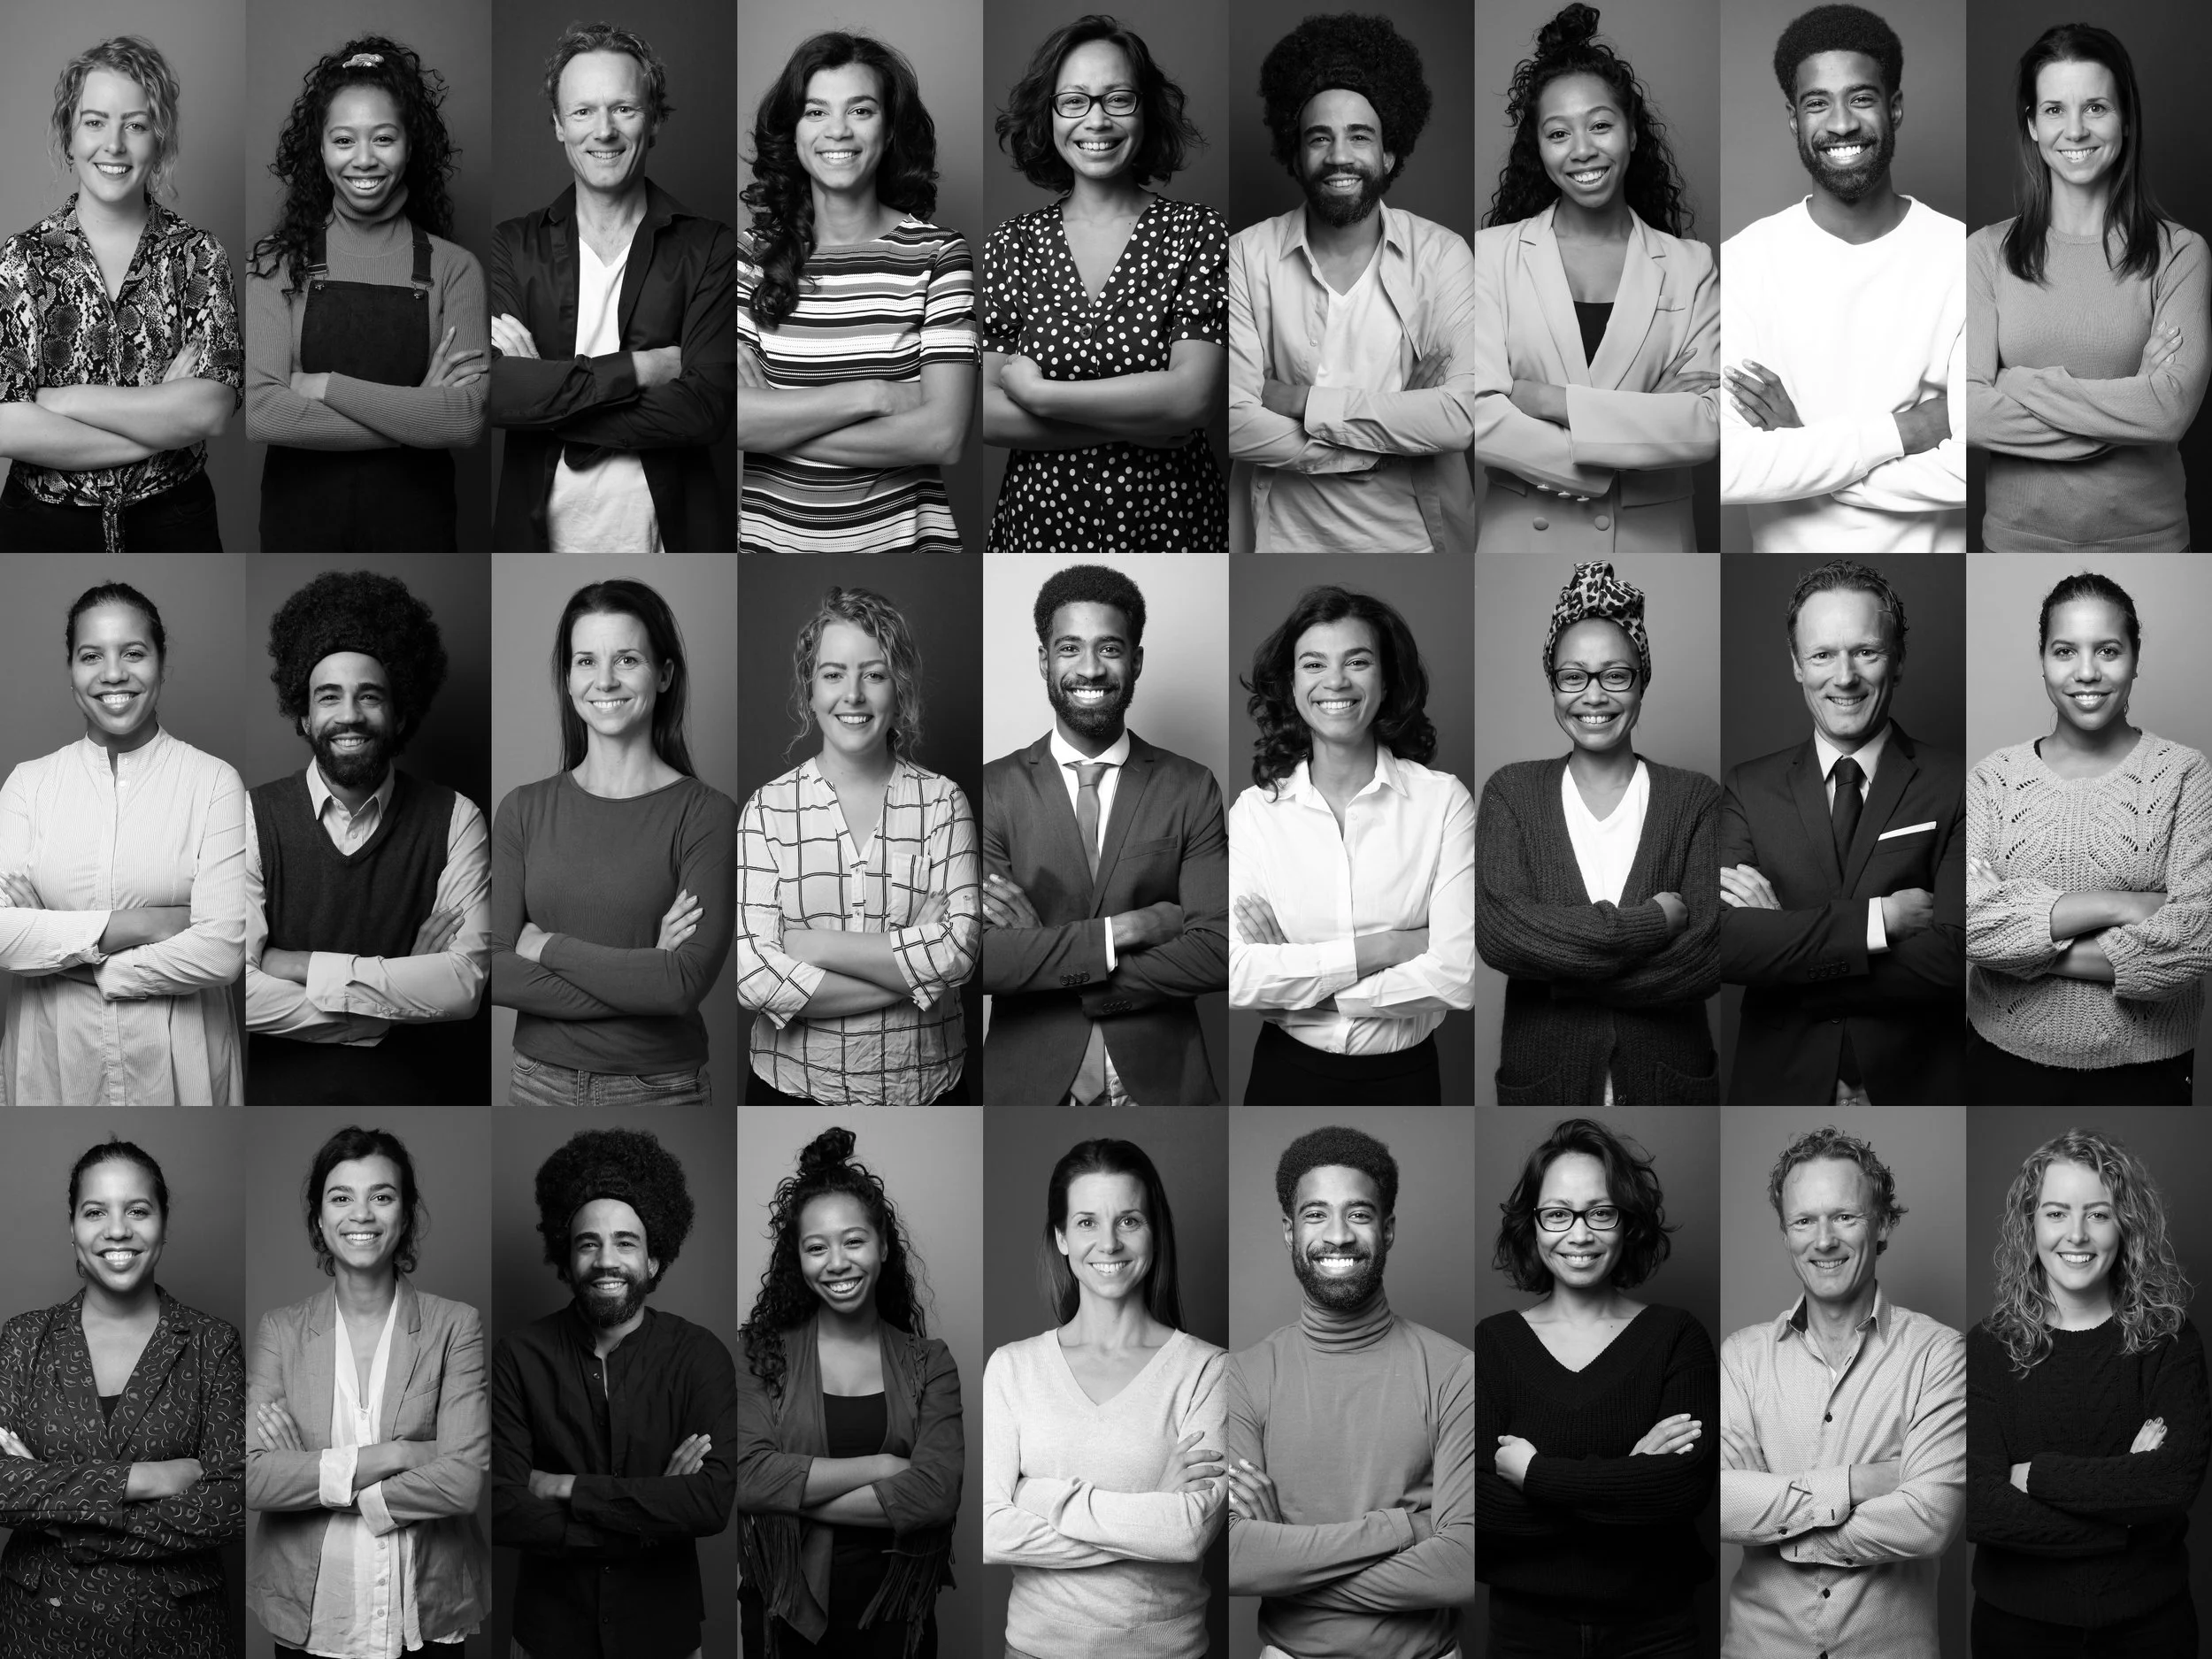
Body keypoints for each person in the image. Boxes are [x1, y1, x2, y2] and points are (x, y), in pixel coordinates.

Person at [1472, 4, 1721, 553]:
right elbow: (1480, 417)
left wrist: (1545, 399)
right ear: (1538, 149)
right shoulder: (1491, 255)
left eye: (1601, 125)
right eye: (1558, 133)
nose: (1582, 150)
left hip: (1652, 542)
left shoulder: (1690, 264)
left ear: (1632, 134)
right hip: (1522, 543)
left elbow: (1707, 422)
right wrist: (1643, 427)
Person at [1720, 4, 1966, 552]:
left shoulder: (1961, 256)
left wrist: (1801, 452)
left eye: (1861, 98)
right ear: (1793, 119)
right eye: (1817, 104)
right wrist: (1904, 432)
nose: (1841, 124)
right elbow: (1731, 467)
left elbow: (1973, 463)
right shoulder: (1744, 262)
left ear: (1894, 108)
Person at [1718, 558, 1965, 1104]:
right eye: (1823, 654)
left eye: (1866, 651)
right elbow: (1729, 947)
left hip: (1919, 1087)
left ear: (1897, 661)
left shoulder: (1957, 784)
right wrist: (1882, 921)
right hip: (1779, 1088)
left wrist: (1785, 943)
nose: (1845, 676)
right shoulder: (1747, 788)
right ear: (1796, 665)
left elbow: (1951, 959)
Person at [1228, 13, 1478, 554]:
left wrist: (1301, 401)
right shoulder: (1246, 256)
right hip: (1281, 544)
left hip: (1415, 542)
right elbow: (1234, 420)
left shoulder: (1442, 255)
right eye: (1320, 138)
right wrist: (1383, 444)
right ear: (1295, 155)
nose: (1340, 156)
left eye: (1359, 136)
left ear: (1389, 153)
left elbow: (1460, 416)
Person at [979, 564, 1227, 1105]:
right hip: (1027, 1082)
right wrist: (1131, 928)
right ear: (1044, 661)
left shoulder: (1191, 786)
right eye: (1070, 648)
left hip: (1164, 1082)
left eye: (1109, 649)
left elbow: (1218, 951)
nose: (1089, 669)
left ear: (1136, 660)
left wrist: (1046, 956)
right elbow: (982, 961)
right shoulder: (991, 791)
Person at [1477, 562, 1720, 1104]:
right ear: (1554, 685)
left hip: (1672, 1082)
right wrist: (1652, 921)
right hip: (1543, 1081)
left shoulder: (1695, 799)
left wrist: (1563, 976)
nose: (1594, 696)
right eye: (1573, 676)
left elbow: (1705, 958)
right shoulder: (1511, 794)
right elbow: (1500, 935)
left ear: (1641, 680)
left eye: (1615, 674)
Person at [981, 15, 1226, 552]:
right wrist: (1137, 425)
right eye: (1074, 101)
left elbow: (1192, 399)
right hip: (1038, 526)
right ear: (1048, 116)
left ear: (1146, 111)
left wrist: (1041, 395)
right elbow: (987, 414)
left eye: (1118, 99)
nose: (1096, 120)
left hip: (1172, 525)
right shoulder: (1013, 242)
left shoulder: (1197, 232)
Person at [243, 571, 488, 1106]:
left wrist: (301, 964)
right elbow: (231, 993)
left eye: (370, 696)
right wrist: (400, 993)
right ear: (304, 716)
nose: (349, 715)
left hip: (424, 1100)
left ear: (400, 715)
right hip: (277, 1105)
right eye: (328, 697)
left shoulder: (457, 819)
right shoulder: (247, 817)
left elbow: (464, 987)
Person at [1719, 1124, 1965, 1659]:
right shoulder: (1741, 1357)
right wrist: (1859, 1483)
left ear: (1881, 1228)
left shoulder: (1939, 1354)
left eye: (1845, 1216)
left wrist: (1781, 1527)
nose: (1824, 1239)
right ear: (1786, 1234)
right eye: (1804, 1220)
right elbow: (1718, 1505)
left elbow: (1929, 1522)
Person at [245, 1126, 490, 1659]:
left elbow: (465, 1484)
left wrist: (319, 1479)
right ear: (319, 1219)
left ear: (404, 1215)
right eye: (341, 1197)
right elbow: (254, 1478)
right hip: (312, 1617)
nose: (361, 1214)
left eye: (381, 1196)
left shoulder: (456, 1326)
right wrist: (401, 1455)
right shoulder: (280, 1331)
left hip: (425, 1617)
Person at [1965, 572, 2211, 1103]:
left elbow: (2196, 938)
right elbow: (1969, 926)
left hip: (2149, 1068)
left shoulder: (2187, 774)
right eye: (2064, 651)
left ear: (2135, 659)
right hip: (2002, 1058)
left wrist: (2017, 943)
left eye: (2107, 650)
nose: (2086, 672)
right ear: (2043, 661)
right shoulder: (1992, 778)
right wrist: (2125, 905)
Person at [490, 580, 737, 1107]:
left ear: (664, 674)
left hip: (661, 1088)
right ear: (568, 679)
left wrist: (545, 947)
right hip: (538, 1082)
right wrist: (645, 972)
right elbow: (494, 972)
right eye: (585, 662)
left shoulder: (706, 815)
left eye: (626, 660)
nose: (604, 681)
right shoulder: (521, 809)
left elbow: (681, 984)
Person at [491, 1127, 735, 1659]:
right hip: (548, 1638)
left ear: (653, 1260)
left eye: (626, 1242)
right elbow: (503, 1506)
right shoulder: (518, 1356)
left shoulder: (701, 1356)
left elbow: (711, 1503)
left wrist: (566, 1488)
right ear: (567, 1259)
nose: (606, 1260)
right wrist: (648, 1519)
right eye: (588, 1243)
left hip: (662, 1637)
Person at [1230, 1126, 1472, 1659]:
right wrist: (1404, 1528)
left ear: (1387, 1231)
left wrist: (1288, 1567)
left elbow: (1460, 1569)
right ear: (1289, 1232)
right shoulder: (1243, 1377)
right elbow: (1235, 1560)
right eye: (1316, 1214)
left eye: (1358, 1214)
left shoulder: (1456, 1373)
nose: (1337, 1235)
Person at [491, 22, 734, 551]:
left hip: (671, 541)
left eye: (623, 108)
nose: (603, 131)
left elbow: (708, 409)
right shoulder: (513, 245)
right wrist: (639, 369)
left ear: (654, 122)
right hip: (536, 545)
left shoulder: (710, 247)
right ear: (559, 125)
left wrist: (548, 400)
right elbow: (492, 395)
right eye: (582, 111)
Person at [0, 581, 245, 1106]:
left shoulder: (215, 782)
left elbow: (224, 950)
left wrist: (69, 957)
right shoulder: (27, 785)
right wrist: (147, 924)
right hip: (51, 1069)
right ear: (71, 668)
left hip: (181, 1069)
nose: (113, 674)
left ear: (161, 662)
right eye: (92, 656)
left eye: (133, 653)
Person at [1966, 1129, 2208, 1658]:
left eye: (2097, 1214)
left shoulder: (2170, 1340)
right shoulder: (1987, 1348)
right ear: (2029, 1224)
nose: (2075, 1234)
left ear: (2125, 1226)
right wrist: (2126, 1517)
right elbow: (1982, 1509)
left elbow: (2172, 1482)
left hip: (2151, 1632)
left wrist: (2033, 1477)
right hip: (2016, 1633)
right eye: (2056, 1214)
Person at [1967, 24, 2208, 551]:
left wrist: (2017, 384)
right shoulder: (1984, 253)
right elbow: (1966, 414)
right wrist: (2129, 408)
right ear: (2031, 124)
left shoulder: (2181, 253)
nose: (2075, 130)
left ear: (2125, 119)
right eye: (2054, 109)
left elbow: (2167, 413)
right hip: (2016, 541)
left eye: (2096, 107)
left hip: (2150, 541)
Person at [733, 588, 979, 1105]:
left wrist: (816, 947)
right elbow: (755, 979)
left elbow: (959, 953)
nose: (854, 694)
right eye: (833, 674)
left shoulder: (943, 802)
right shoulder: (767, 809)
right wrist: (913, 967)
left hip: (928, 1091)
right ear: (810, 690)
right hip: (792, 1089)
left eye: (874, 673)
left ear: (899, 687)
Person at [982, 1137, 1225, 1659]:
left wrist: (1034, 1496)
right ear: (1062, 1238)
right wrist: (1148, 1510)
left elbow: (1186, 1534)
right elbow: (992, 1532)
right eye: (1088, 1222)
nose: (1110, 1243)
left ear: (1154, 1233)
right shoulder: (1012, 1368)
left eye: (1130, 1221)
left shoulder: (1209, 1370)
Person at [0, 1138, 244, 1655]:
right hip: (42, 1630)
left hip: (178, 1633)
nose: (117, 1229)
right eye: (96, 1211)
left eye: (138, 1210)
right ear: (72, 1228)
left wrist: (63, 1513)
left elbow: (228, 1505)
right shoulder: (22, 1340)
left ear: (163, 1226)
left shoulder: (211, 1343)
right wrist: (147, 1477)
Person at [1230, 585, 1472, 1104]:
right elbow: (1238, 976)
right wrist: (1389, 947)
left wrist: (1306, 986)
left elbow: (1456, 976)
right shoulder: (1254, 812)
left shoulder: (1444, 802)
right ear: (1292, 685)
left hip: (1406, 1078)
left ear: (1386, 682)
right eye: (1313, 664)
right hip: (1283, 1073)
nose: (1335, 680)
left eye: (1357, 661)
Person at [245, 36, 488, 552]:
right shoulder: (276, 261)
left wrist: (326, 385)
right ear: (320, 148)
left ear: (409, 144)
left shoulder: (455, 268)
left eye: (383, 138)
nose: (364, 160)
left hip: (416, 527)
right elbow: (265, 413)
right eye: (343, 140)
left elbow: (466, 419)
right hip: (299, 526)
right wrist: (419, 413)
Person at [1479, 1118, 1709, 1658]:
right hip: (1525, 1634)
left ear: (1627, 1223)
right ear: (1532, 1225)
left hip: (1657, 1633)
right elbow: (1481, 1509)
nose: (1579, 1234)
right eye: (1557, 1214)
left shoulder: (1678, 1335)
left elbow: (1681, 1492)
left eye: (1600, 1213)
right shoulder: (1493, 1343)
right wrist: (1628, 1478)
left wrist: (1535, 1473)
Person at [738, 32, 975, 554]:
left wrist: (780, 421)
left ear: (889, 129)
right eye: (816, 112)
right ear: (793, 132)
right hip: (771, 554)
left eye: (861, 110)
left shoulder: (939, 255)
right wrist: (876, 396)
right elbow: (730, 418)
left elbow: (943, 437)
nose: (838, 131)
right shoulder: (750, 258)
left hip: (910, 555)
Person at [0, 35, 239, 552]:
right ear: (69, 135)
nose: (114, 144)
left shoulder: (198, 255)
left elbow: (212, 411)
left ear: (160, 139)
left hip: (175, 521)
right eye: (94, 122)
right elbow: (6, 425)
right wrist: (160, 418)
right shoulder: (22, 259)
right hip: (43, 526)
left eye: (135, 124)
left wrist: (64, 401)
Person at [735, 1127, 961, 1658]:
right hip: (781, 1614)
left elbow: (937, 1495)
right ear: (800, 1259)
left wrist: (792, 1501)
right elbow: (746, 1479)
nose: (836, 1262)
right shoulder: (756, 1355)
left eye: (853, 1240)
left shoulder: (932, 1363)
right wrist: (883, 1466)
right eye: (817, 1247)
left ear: (883, 1245)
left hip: (893, 1615)